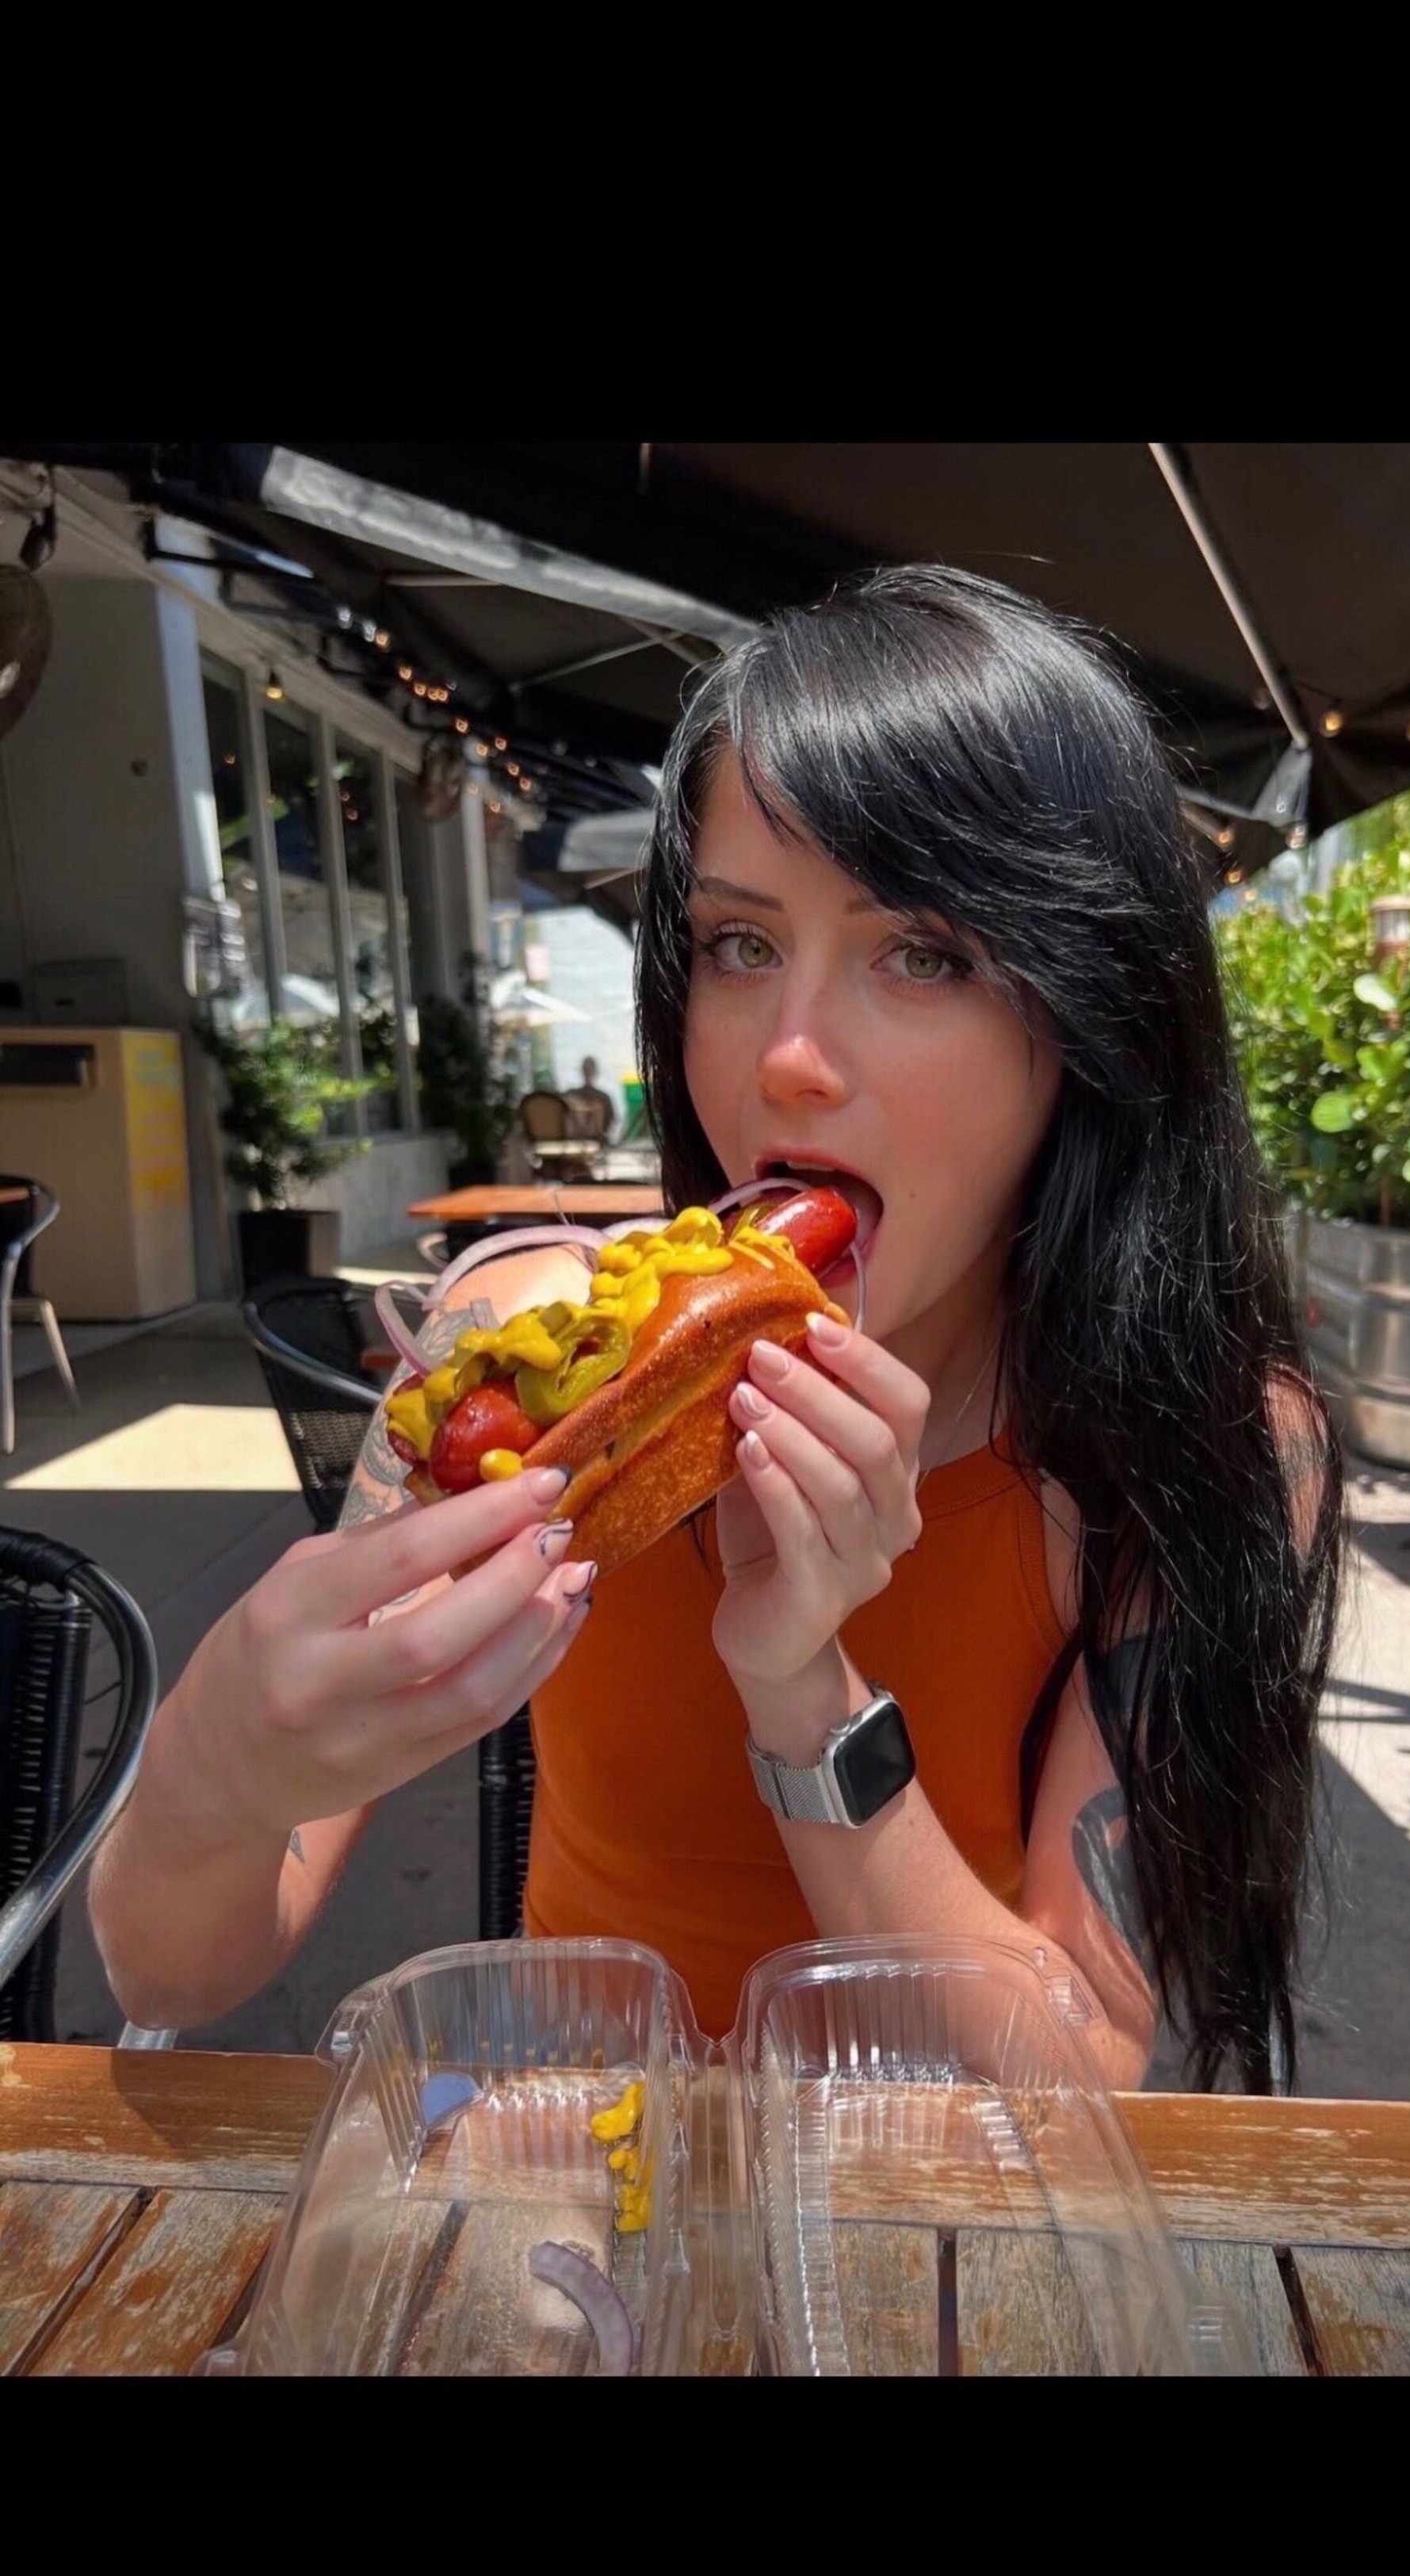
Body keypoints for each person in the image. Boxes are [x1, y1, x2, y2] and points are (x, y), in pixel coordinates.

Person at [90, 566, 1342, 2093]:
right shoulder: (516, 1350)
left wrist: (805, 1685)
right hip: (565, 2175)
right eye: (741, 945)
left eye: (924, 952)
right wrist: (213, 1769)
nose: (789, 1057)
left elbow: (1079, 2072)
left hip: (916, 2208)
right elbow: (166, 1968)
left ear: (1094, 1017)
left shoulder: (1206, 1440)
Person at [562, 1055, 617, 1146]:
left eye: (588, 1069)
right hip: (595, 1141)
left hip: (576, 1141)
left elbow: (610, 1122)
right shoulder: (604, 1098)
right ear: (595, 1072)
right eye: (588, 1070)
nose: (588, 1072)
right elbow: (611, 1123)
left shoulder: (571, 1094)